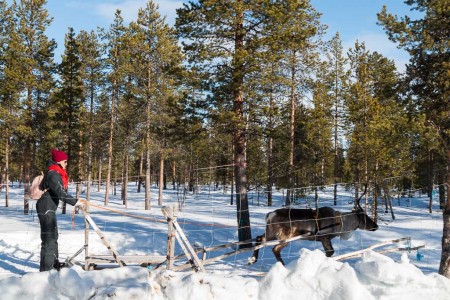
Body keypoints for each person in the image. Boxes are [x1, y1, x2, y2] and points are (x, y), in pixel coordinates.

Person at [36, 149, 85, 272]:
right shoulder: (53, 174)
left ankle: (54, 264)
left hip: (49, 206)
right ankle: (47, 271)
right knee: (49, 239)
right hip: (46, 206)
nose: (66, 164)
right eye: (65, 161)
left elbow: (59, 192)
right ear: (58, 161)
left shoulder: (56, 173)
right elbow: (60, 192)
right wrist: (75, 202)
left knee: (53, 236)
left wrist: (75, 201)